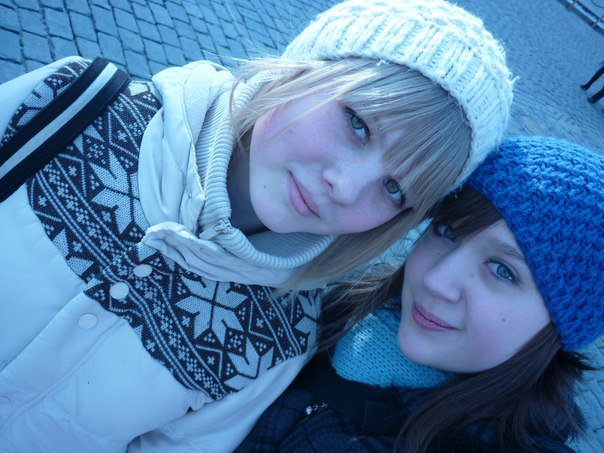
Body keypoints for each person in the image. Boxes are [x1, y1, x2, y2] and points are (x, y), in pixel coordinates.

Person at [0, 0, 513, 451]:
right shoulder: (75, 106)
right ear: (306, 68)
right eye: (358, 123)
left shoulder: (275, 341)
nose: (347, 187)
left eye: (395, 188)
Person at [238, 136, 604, 452]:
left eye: (502, 270)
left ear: (563, 324)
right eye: (447, 232)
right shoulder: (329, 303)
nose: (436, 281)